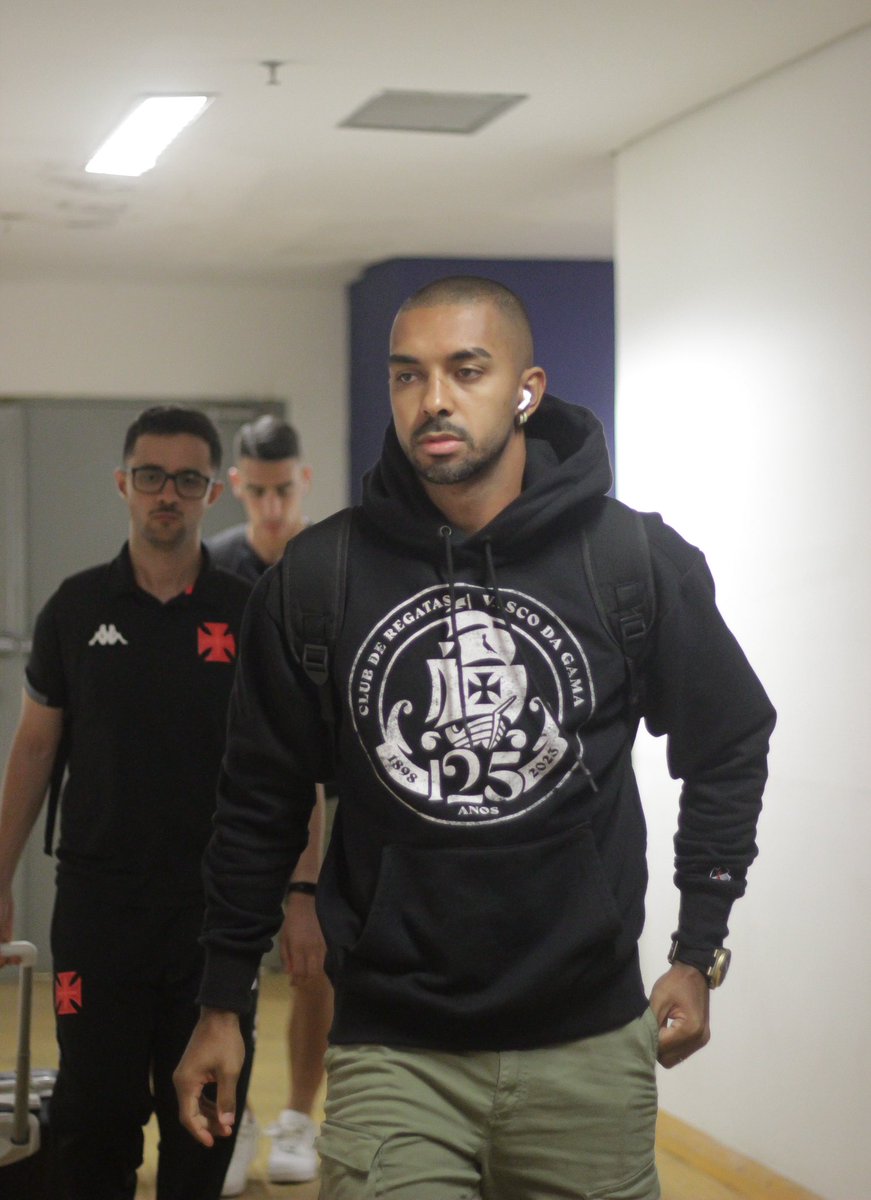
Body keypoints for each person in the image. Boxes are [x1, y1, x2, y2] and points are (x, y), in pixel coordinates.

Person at [174, 277, 776, 1200]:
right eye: (407, 375)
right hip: (393, 1050)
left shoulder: (628, 561)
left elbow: (728, 740)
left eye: (465, 370)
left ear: (526, 390)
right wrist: (223, 1000)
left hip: (587, 1044)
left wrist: (698, 949)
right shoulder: (321, 578)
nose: (433, 400)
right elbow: (259, 795)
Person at [0, 406, 255, 1200]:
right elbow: (34, 750)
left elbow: (285, 767)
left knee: (204, 1119)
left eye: (186, 479)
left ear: (213, 491)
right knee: (95, 1112)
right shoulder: (74, 609)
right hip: (98, 908)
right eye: (151, 476)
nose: (166, 494)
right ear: (123, 484)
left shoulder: (247, 612)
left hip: (215, 914)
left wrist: (305, 892)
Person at [208, 415, 332, 1191]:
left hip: (323, 788)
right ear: (236, 488)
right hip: (234, 790)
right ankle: (235, 1116)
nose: (273, 507)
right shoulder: (216, 566)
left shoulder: (330, 562)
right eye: (257, 492)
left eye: (283, 489)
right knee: (222, 960)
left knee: (313, 959)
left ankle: (297, 1116)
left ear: (303, 481)